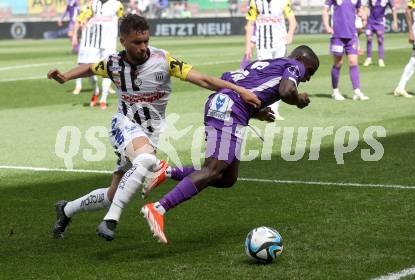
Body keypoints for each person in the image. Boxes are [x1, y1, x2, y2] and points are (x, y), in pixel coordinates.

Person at [48, 14, 260, 241]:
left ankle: (66, 209)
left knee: (113, 193)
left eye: (146, 41)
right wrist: (66, 76)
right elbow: (90, 68)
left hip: (149, 134)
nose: (143, 47)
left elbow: (205, 80)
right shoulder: (113, 63)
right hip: (123, 125)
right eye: (136, 43)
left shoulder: (163, 61)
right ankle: (111, 220)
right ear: (123, 41)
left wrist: (239, 91)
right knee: (147, 160)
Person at [140, 45, 320, 244]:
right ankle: (158, 208)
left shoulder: (266, 63)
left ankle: (166, 172)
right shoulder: (295, 64)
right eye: (310, 71)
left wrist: (257, 111)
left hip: (226, 107)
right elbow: (287, 91)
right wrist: (298, 100)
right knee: (212, 169)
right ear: (302, 60)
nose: (308, 77)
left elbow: (230, 79)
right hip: (230, 111)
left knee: (227, 178)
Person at [244, 0, 297, 120]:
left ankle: (274, 109)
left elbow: (292, 21)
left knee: (279, 76)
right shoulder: (255, 2)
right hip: (263, 44)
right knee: (263, 75)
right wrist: (248, 46)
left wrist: (290, 34)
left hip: (280, 44)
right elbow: (250, 24)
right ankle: (260, 107)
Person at [71, 0, 124, 109]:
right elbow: (82, 17)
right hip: (93, 43)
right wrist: (77, 31)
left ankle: (103, 99)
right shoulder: (93, 4)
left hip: (109, 44)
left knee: (108, 70)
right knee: (89, 70)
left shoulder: (117, 4)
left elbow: (122, 21)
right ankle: (96, 91)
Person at [323, 0, 369, 101]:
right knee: (338, 63)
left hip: (352, 34)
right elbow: (325, 10)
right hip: (337, 35)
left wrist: (363, 14)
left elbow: (359, 9)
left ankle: (357, 91)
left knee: (353, 62)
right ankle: (335, 91)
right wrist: (326, 26)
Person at [362, 0, 398, 67]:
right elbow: (366, 7)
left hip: (380, 22)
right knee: (369, 38)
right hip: (370, 21)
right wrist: (365, 19)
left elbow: (393, 9)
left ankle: (380, 59)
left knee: (380, 40)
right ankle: (368, 58)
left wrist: (395, 21)